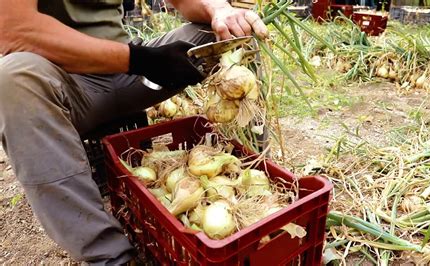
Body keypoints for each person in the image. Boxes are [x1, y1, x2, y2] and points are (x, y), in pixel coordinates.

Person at [0, 0, 268, 265]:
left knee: (230, 32)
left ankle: (251, 173)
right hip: (65, 83)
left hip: (129, 72)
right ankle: (111, 256)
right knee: (12, 79)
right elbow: (15, 30)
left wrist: (219, 10)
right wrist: (142, 61)